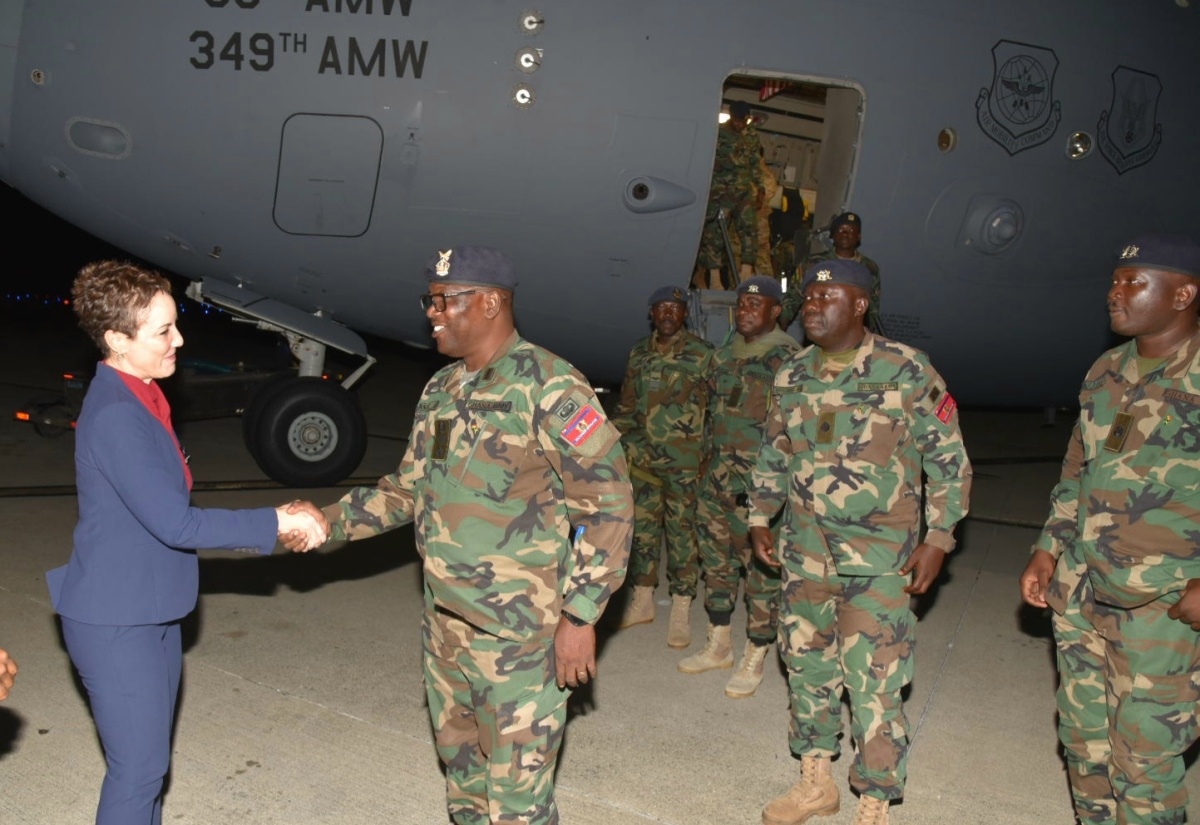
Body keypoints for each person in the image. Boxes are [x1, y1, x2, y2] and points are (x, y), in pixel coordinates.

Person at [309, 246, 634, 825]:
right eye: (428, 301)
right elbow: (406, 490)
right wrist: (324, 522)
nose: (431, 313)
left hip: (519, 637)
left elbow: (608, 505)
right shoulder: (441, 390)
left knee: (517, 802)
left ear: (491, 303)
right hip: (446, 626)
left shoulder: (551, 386)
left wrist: (581, 617)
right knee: (463, 779)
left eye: (443, 300)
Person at [46, 260, 327, 825]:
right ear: (116, 341)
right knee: (137, 774)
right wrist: (276, 520)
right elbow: (177, 525)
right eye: (163, 331)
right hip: (116, 618)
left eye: (176, 325)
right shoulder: (118, 417)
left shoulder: (142, 391)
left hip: (151, 606)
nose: (181, 340)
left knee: (149, 770)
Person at [748, 259, 971, 825]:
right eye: (810, 296)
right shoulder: (793, 374)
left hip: (880, 560)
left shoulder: (906, 369)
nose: (814, 305)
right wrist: (759, 516)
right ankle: (815, 780)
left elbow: (949, 460)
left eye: (829, 296)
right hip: (804, 554)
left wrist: (939, 538)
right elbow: (774, 450)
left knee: (876, 681)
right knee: (806, 668)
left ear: (860, 304)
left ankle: (875, 798)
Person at [1020, 234, 1200, 825]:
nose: (1113, 294)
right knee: (1083, 744)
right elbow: (1078, 467)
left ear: (1184, 294)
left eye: (1132, 283)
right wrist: (1047, 549)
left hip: (1163, 608)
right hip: (1082, 591)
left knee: (1145, 765)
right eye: (1115, 281)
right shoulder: (1106, 371)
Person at [677, 276, 798, 698]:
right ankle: (719, 644)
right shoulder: (724, 355)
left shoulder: (788, 360)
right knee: (717, 563)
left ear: (775, 310)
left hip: (759, 489)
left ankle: (756, 653)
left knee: (762, 571)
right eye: (741, 303)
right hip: (716, 481)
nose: (745, 310)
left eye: (755, 303)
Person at [613, 286, 714, 649]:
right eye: (661, 308)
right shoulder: (639, 353)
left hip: (685, 465)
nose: (669, 313)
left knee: (683, 535)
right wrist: (621, 447)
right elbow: (626, 406)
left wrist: (709, 456)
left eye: (675, 308)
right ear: (652, 313)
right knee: (642, 533)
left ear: (685, 314)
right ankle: (642, 601)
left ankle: (682, 608)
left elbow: (716, 411)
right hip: (643, 463)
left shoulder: (703, 355)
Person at [696, 100, 764, 289]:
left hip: (743, 193)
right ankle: (715, 279)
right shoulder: (717, 133)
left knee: (749, 231)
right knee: (715, 235)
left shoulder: (752, 136)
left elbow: (755, 163)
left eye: (742, 121)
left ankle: (746, 273)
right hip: (720, 193)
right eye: (735, 120)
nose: (739, 124)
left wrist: (761, 189)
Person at [779, 212, 882, 334]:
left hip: (851, 332)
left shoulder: (869, 268)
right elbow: (792, 296)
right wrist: (781, 327)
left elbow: (873, 306)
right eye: (841, 229)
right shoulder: (812, 263)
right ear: (833, 235)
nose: (845, 234)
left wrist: (871, 334)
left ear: (858, 236)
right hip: (816, 325)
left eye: (850, 230)